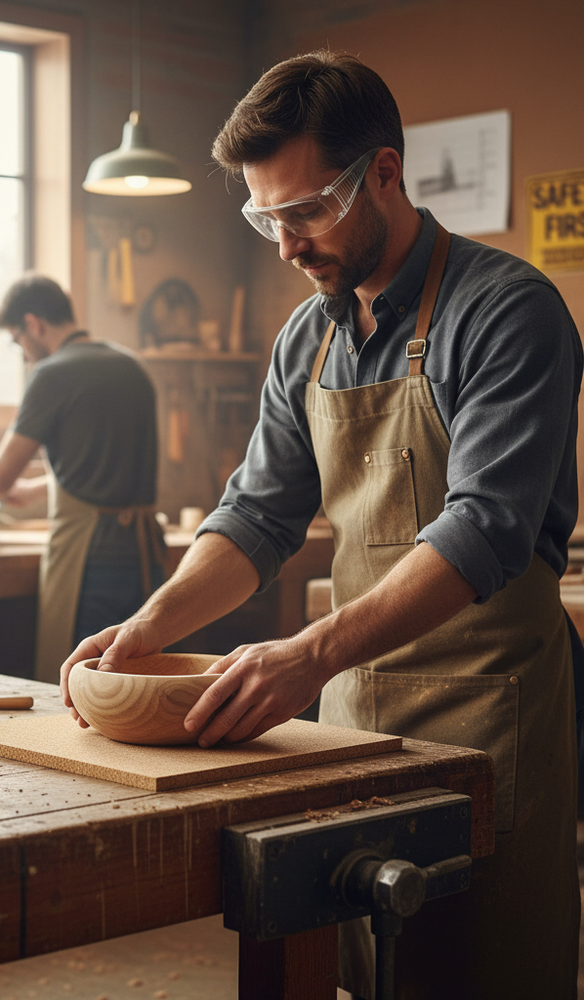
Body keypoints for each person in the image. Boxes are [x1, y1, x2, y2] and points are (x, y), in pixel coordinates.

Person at [59, 51, 582, 1000]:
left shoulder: (509, 312)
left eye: (305, 211)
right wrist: (150, 628)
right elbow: (257, 516)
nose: (288, 244)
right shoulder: (311, 336)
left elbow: (484, 530)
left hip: (486, 721)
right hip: (349, 719)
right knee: (350, 973)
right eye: (268, 218)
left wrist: (305, 655)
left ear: (383, 172)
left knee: (478, 972)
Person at [0, 274, 165, 683]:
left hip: (91, 559)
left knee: (85, 683)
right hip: (145, 552)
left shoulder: (53, 373)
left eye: (17, 339)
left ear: (33, 324)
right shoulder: (130, 366)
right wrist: (39, 490)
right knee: (137, 682)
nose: (22, 353)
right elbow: (109, 467)